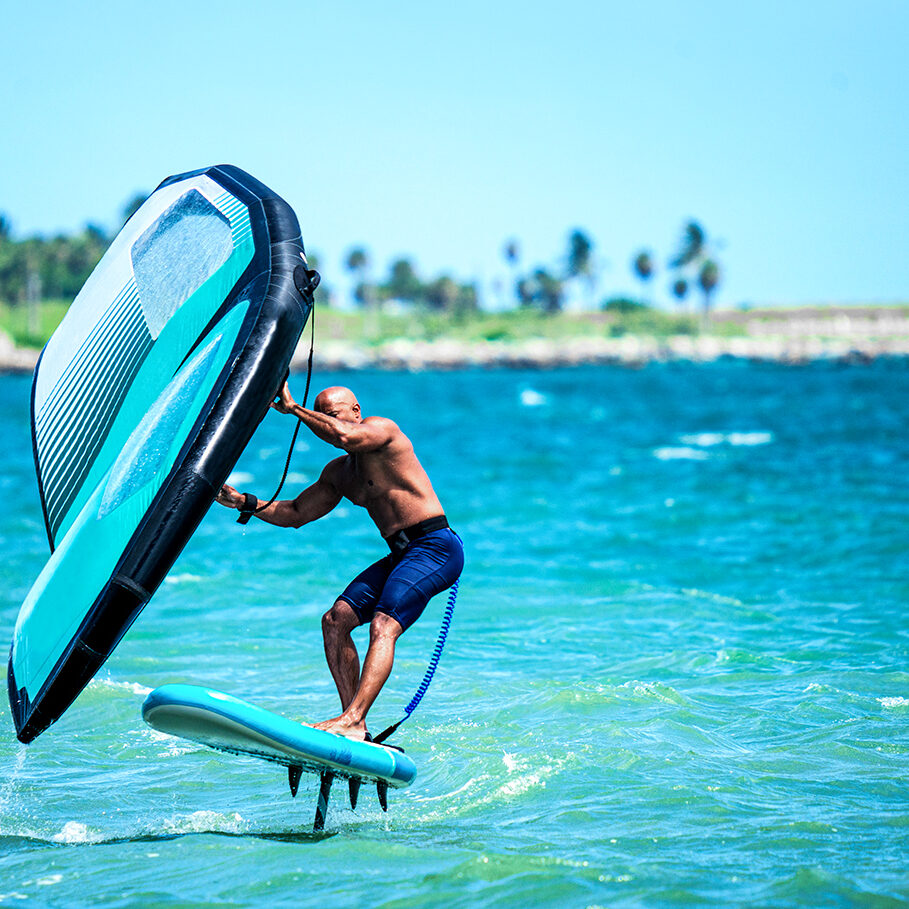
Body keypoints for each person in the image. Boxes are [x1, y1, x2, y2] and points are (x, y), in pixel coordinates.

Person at [216, 383, 463, 741]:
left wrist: (295, 409)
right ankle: (355, 724)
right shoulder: (340, 473)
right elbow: (296, 512)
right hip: (401, 554)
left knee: (383, 624)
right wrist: (243, 502)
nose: (325, 422)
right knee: (335, 620)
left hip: (435, 547)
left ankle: (352, 718)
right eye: (321, 414)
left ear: (356, 411)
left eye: (330, 415)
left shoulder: (383, 431)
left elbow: (345, 437)